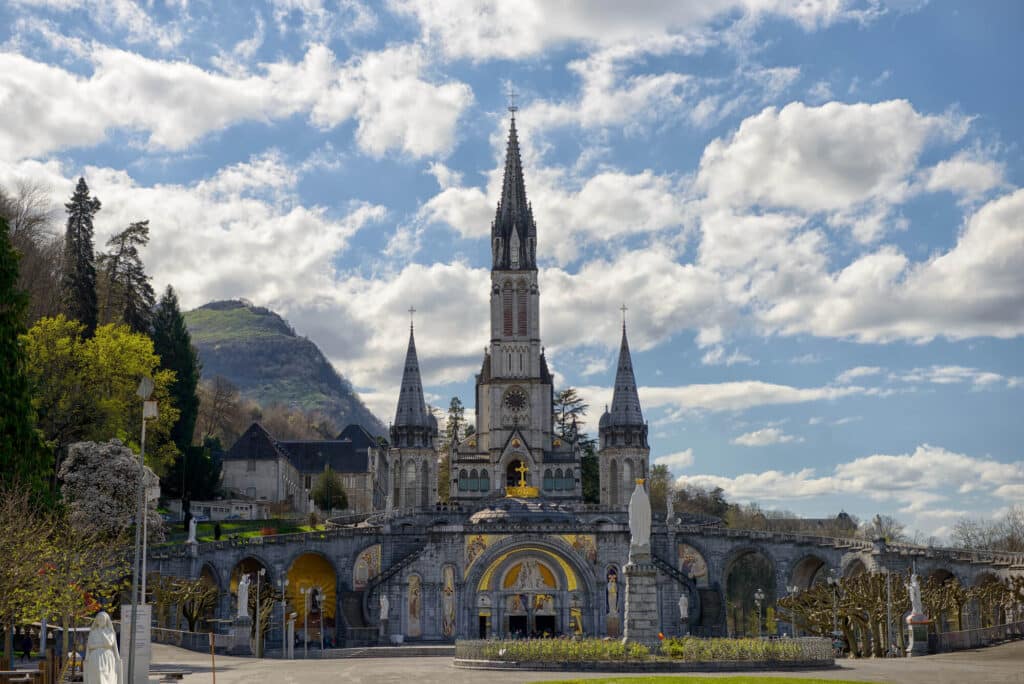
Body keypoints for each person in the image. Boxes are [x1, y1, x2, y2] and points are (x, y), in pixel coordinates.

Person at [84, 612, 122, 684]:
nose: (100, 621)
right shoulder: (93, 632)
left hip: (107, 656)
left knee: (105, 675)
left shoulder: (110, 632)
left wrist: (102, 632)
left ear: (106, 621)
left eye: (102, 620)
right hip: (95, 657)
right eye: (99, 620)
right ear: (97, 621)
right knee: (98, 673)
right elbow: (90, 645)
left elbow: (109, 644)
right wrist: (102, 645)